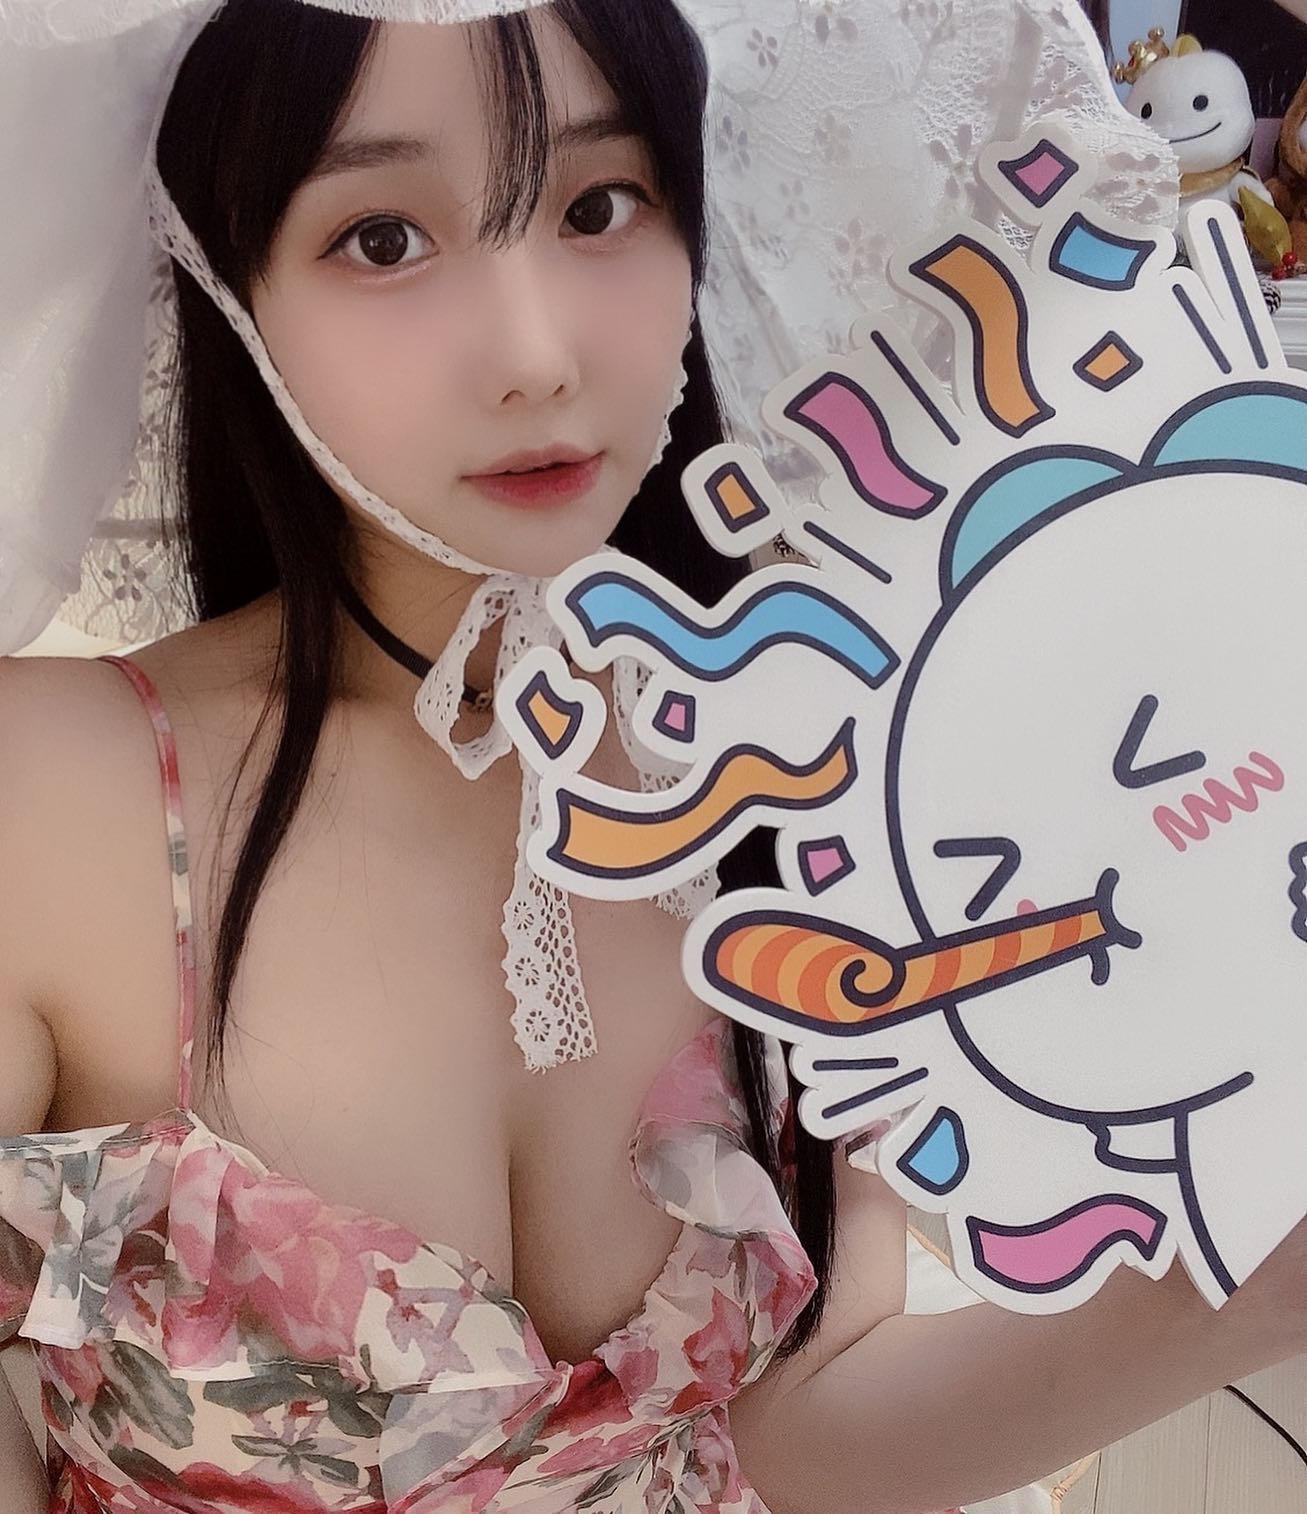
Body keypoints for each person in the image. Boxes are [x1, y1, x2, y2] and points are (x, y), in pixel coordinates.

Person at [0, 3, 1303, 1511]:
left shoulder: (821, 755)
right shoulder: (54, 795)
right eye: (383, 238)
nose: (536, 355)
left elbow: (796, 1435)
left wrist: (1262, 1285)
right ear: (229, 278)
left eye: (600, 205)